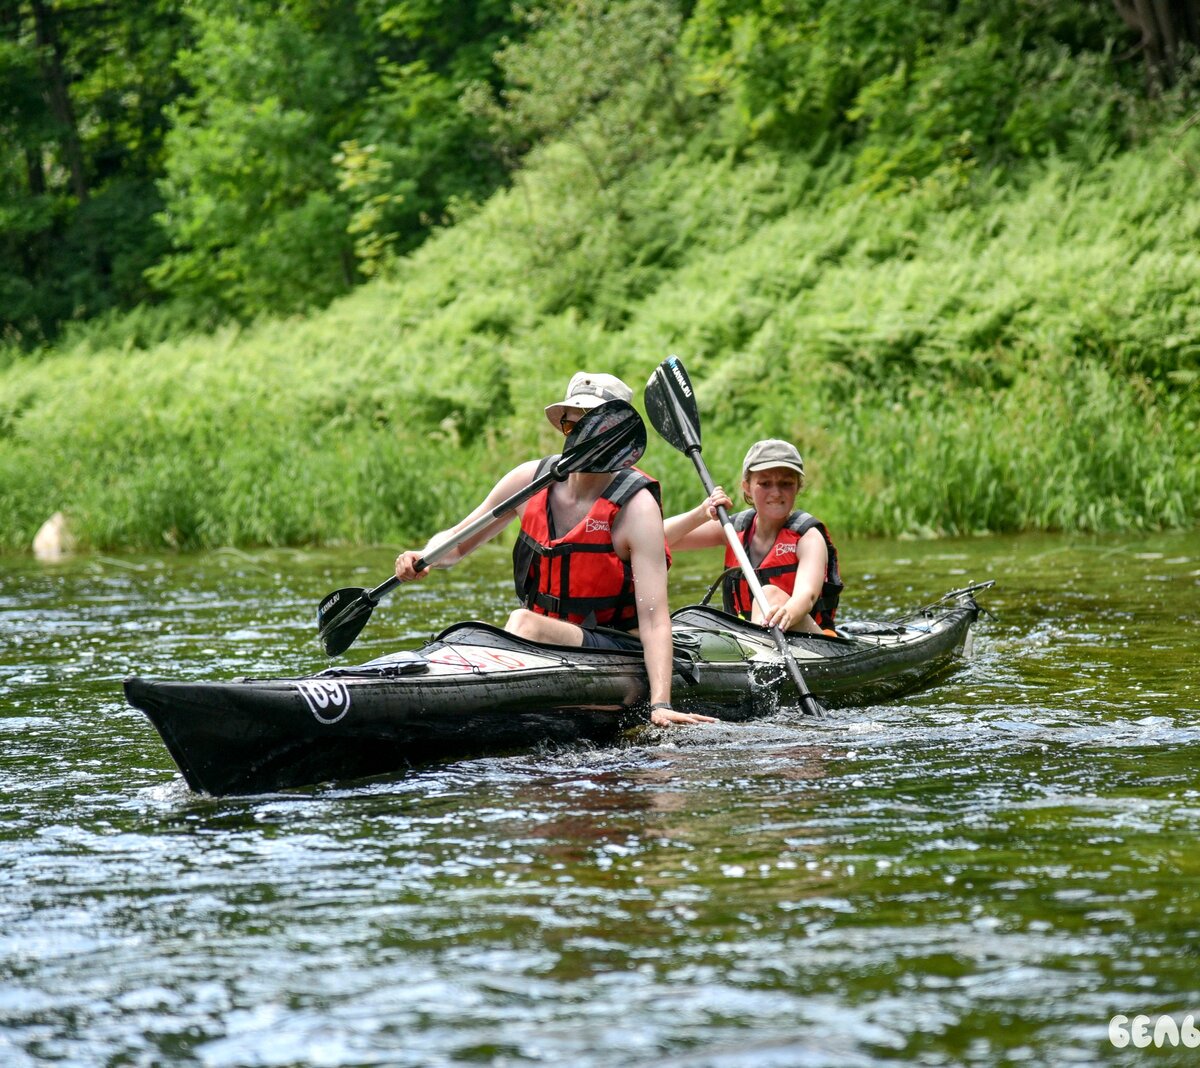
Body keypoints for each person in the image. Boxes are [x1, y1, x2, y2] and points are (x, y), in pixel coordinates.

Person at [394, 371, 716, 727]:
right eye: (572, 427)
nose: (582, 440)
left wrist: (659, 704)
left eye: (595, 429)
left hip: (616, 647)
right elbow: (455, 544)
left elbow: (655, 619)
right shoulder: (528, 480)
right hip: (548, 646)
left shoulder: (637, 508)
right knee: (475, 634)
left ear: (618, 436)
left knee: (523, 623)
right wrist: (424, 556)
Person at [664, 439, 843, 635]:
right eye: (765, 483)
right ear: (747, 487)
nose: (776, 492)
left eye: (786, 483)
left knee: (769, 595)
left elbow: (806, 595)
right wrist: (700, 513)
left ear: (797, 487)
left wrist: (785, 614)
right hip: (750, 641)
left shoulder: (808, 538)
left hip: (813, 642)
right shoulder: (733, 530)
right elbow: (658, 538)